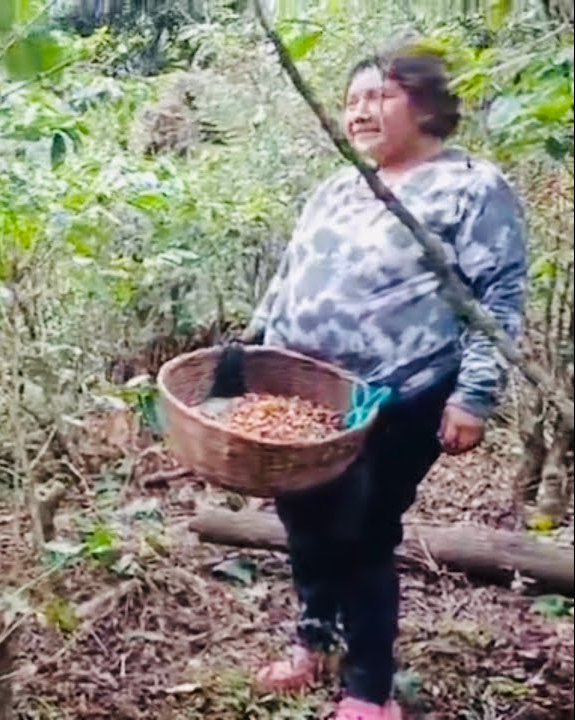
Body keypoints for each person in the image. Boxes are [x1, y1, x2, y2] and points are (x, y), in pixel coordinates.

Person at [242, 45, 527, 720]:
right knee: (304, 519)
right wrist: (251, 349)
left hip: (402, 392)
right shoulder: (338, 185)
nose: (361, 110)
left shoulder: (472, 187)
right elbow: (291, 274)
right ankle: (314, 639)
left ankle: (369, 688)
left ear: (426, 105)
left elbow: (499, 294)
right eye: (352, 99)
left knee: (364, 529)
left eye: (380, 96)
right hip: (302, 398)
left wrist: (475, 393)